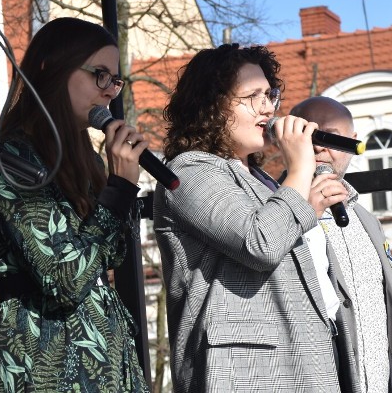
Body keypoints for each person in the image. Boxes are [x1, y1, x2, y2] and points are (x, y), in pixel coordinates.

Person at [153, 44, 360, 393]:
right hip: (244, 372)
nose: (267, 108)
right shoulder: (188, 171)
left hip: (305, 361)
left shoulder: (261, 181)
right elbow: (260, 242)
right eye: (252, 96)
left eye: (269, 95)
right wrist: (299, 168)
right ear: (211, 106)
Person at [0, 17, 150, 392]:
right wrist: (117, 191)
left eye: (115, 79)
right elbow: (63, 279)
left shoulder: (85, 159)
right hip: (44, 353)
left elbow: (108, 257)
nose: (110, 90)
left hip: (104, 355)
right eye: (100, 74)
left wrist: (118, 187)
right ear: (51, 70)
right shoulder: (8, 161)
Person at [290, 96, 392, 393]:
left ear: (353, 141)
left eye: (331, 137)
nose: (318, 147)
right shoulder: (276, 213)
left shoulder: (367, 220)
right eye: (309, 136)